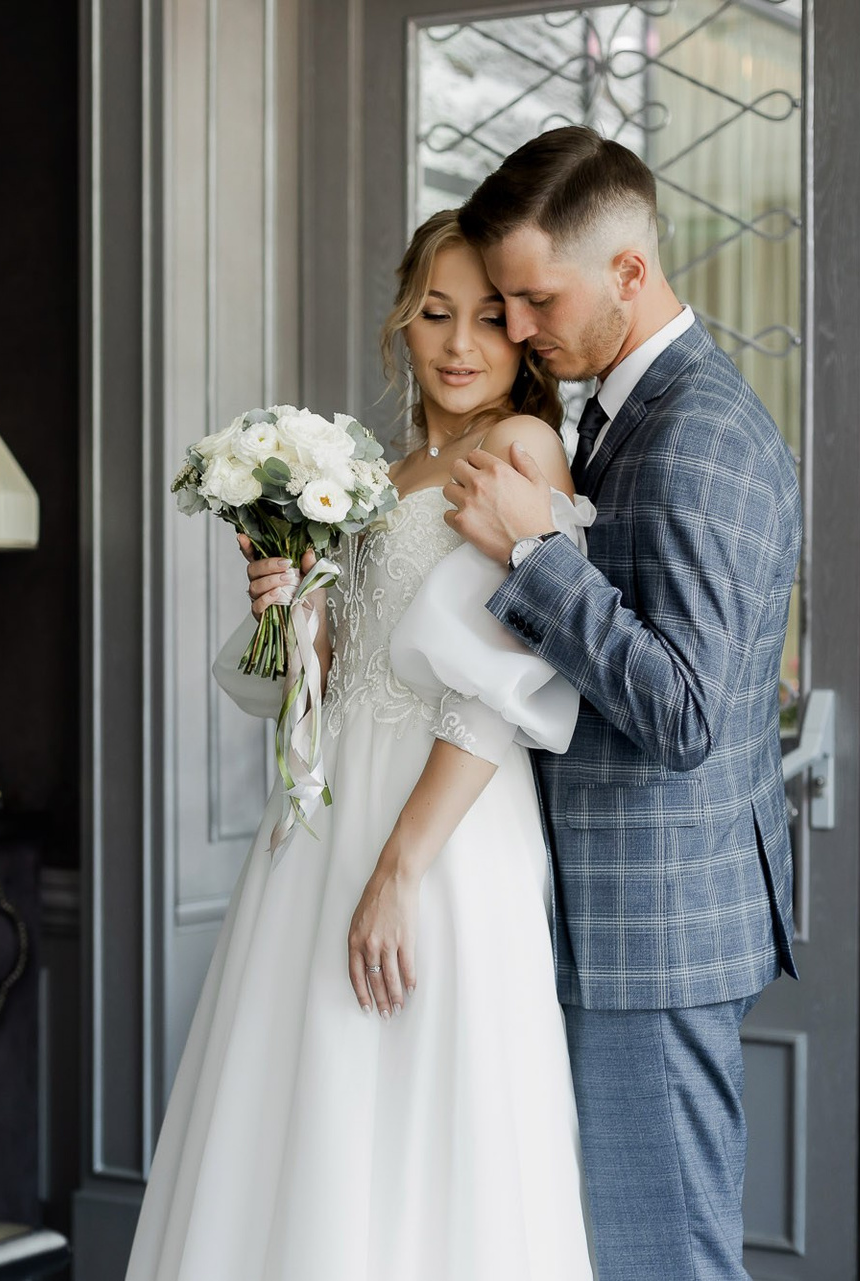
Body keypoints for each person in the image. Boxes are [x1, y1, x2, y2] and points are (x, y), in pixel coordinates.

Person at [126, 209, 595, 1280]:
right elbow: (327, 682)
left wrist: (400, 869)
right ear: (402, 322)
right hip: (326, 811)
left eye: (489, 317)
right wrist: (289, 604)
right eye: (435, 313)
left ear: (524, 332)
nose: (460, 344)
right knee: (309, 1106)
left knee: (429, 1102)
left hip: (443, 830)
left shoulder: (522, 449)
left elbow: (500, 686)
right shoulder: (378, 475)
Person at [443, 125, 801, 1281]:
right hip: (604, 915)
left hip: (654, 929)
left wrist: (536, 556)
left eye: (536, 299)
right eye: (502, 300)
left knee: (667, 1262)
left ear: (630, 272)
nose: (515, 329)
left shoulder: (701, 434)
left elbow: (688, 712)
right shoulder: (615, 414)